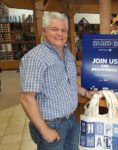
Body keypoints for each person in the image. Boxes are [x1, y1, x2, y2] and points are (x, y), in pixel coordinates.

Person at [19, 12, 95, 150]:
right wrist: (44, 130)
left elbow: (69, 82)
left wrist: (85, 92)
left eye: (63, 30)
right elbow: (26, 98)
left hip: (72, 119)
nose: (60, 34)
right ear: (44, 31)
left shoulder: (67, 53)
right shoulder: (35, 58)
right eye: (54, 29)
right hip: (51, 125)